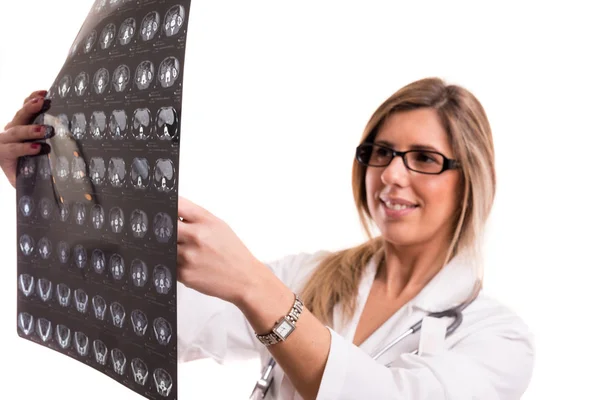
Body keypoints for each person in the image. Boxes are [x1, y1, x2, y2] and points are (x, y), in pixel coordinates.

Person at [2, 77, 534, 399]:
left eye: (423, 159)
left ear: (472, 178)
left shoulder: (499, 339)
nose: (391, 175)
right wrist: (44, 196)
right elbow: (157, 319)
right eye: (380, 152)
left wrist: (255, 287)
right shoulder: (310, 276)